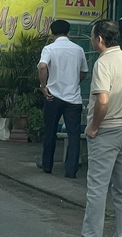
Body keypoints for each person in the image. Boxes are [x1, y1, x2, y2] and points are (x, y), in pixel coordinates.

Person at [57, 19, 122, 237]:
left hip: (106, 129)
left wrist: (93, 127)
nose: (91, 40)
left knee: (97, 187)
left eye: (91, 36)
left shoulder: (103, 63)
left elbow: (103, 100)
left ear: (99, 39)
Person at [37, 19, 88, 178]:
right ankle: (71, 170)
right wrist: (73, 81)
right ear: (69, 33)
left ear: (52, 34)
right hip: (73, 98)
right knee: (74, 135)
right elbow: (84, 72)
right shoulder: (78, 49)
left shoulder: (49, 48)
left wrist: (43, 86)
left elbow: (42, 66)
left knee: (50, 131)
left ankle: (47, 165)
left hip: (53, 96)